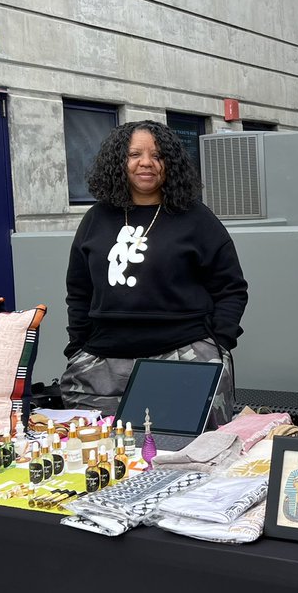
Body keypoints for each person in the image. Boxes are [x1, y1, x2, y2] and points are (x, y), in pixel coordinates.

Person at [61, 120, 248, 421]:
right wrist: (78, 349)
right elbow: (79, 291)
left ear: (169, 163)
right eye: (134, 154)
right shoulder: (96, 218)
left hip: (183, 355)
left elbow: (232, 288)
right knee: (100, 456)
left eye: (157, 155)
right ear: (119, 162)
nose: (146, 163)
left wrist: (217, 344)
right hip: (103, 361)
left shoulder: (196, 218)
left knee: (186, 452)